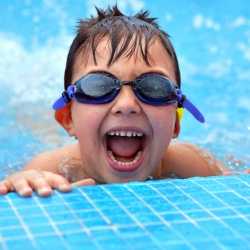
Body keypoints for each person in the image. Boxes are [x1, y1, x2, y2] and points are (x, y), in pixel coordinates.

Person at [0, 5, 228, 197]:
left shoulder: (192, 164)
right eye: (98, 86)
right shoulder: (50, 169)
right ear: (68, 118)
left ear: (175, 124)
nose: (127, 105)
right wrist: (23, 181)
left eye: (154, 87)